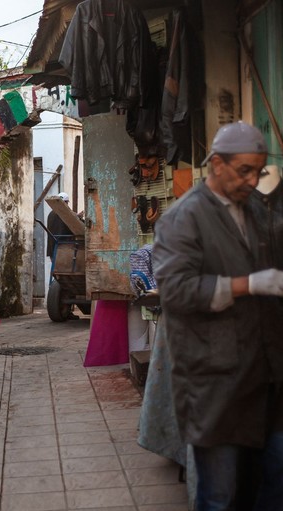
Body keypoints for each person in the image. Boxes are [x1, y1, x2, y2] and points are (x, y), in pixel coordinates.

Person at [152, 122, 283, 510]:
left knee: (272, 486)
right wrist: (248, 285)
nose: (251, 179)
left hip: (267, 379)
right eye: (244, 170)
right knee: (220, 497)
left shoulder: (257, 209)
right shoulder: (183, 219)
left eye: (257, 171)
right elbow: (176, 291)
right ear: (217, 165)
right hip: (215, 385)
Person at [46, 192, 73, 259]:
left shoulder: (51, 214)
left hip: (53, 247)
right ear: (65, 202)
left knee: (55, 268)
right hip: (63, 247)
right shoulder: (64, 213)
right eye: (66, 203)